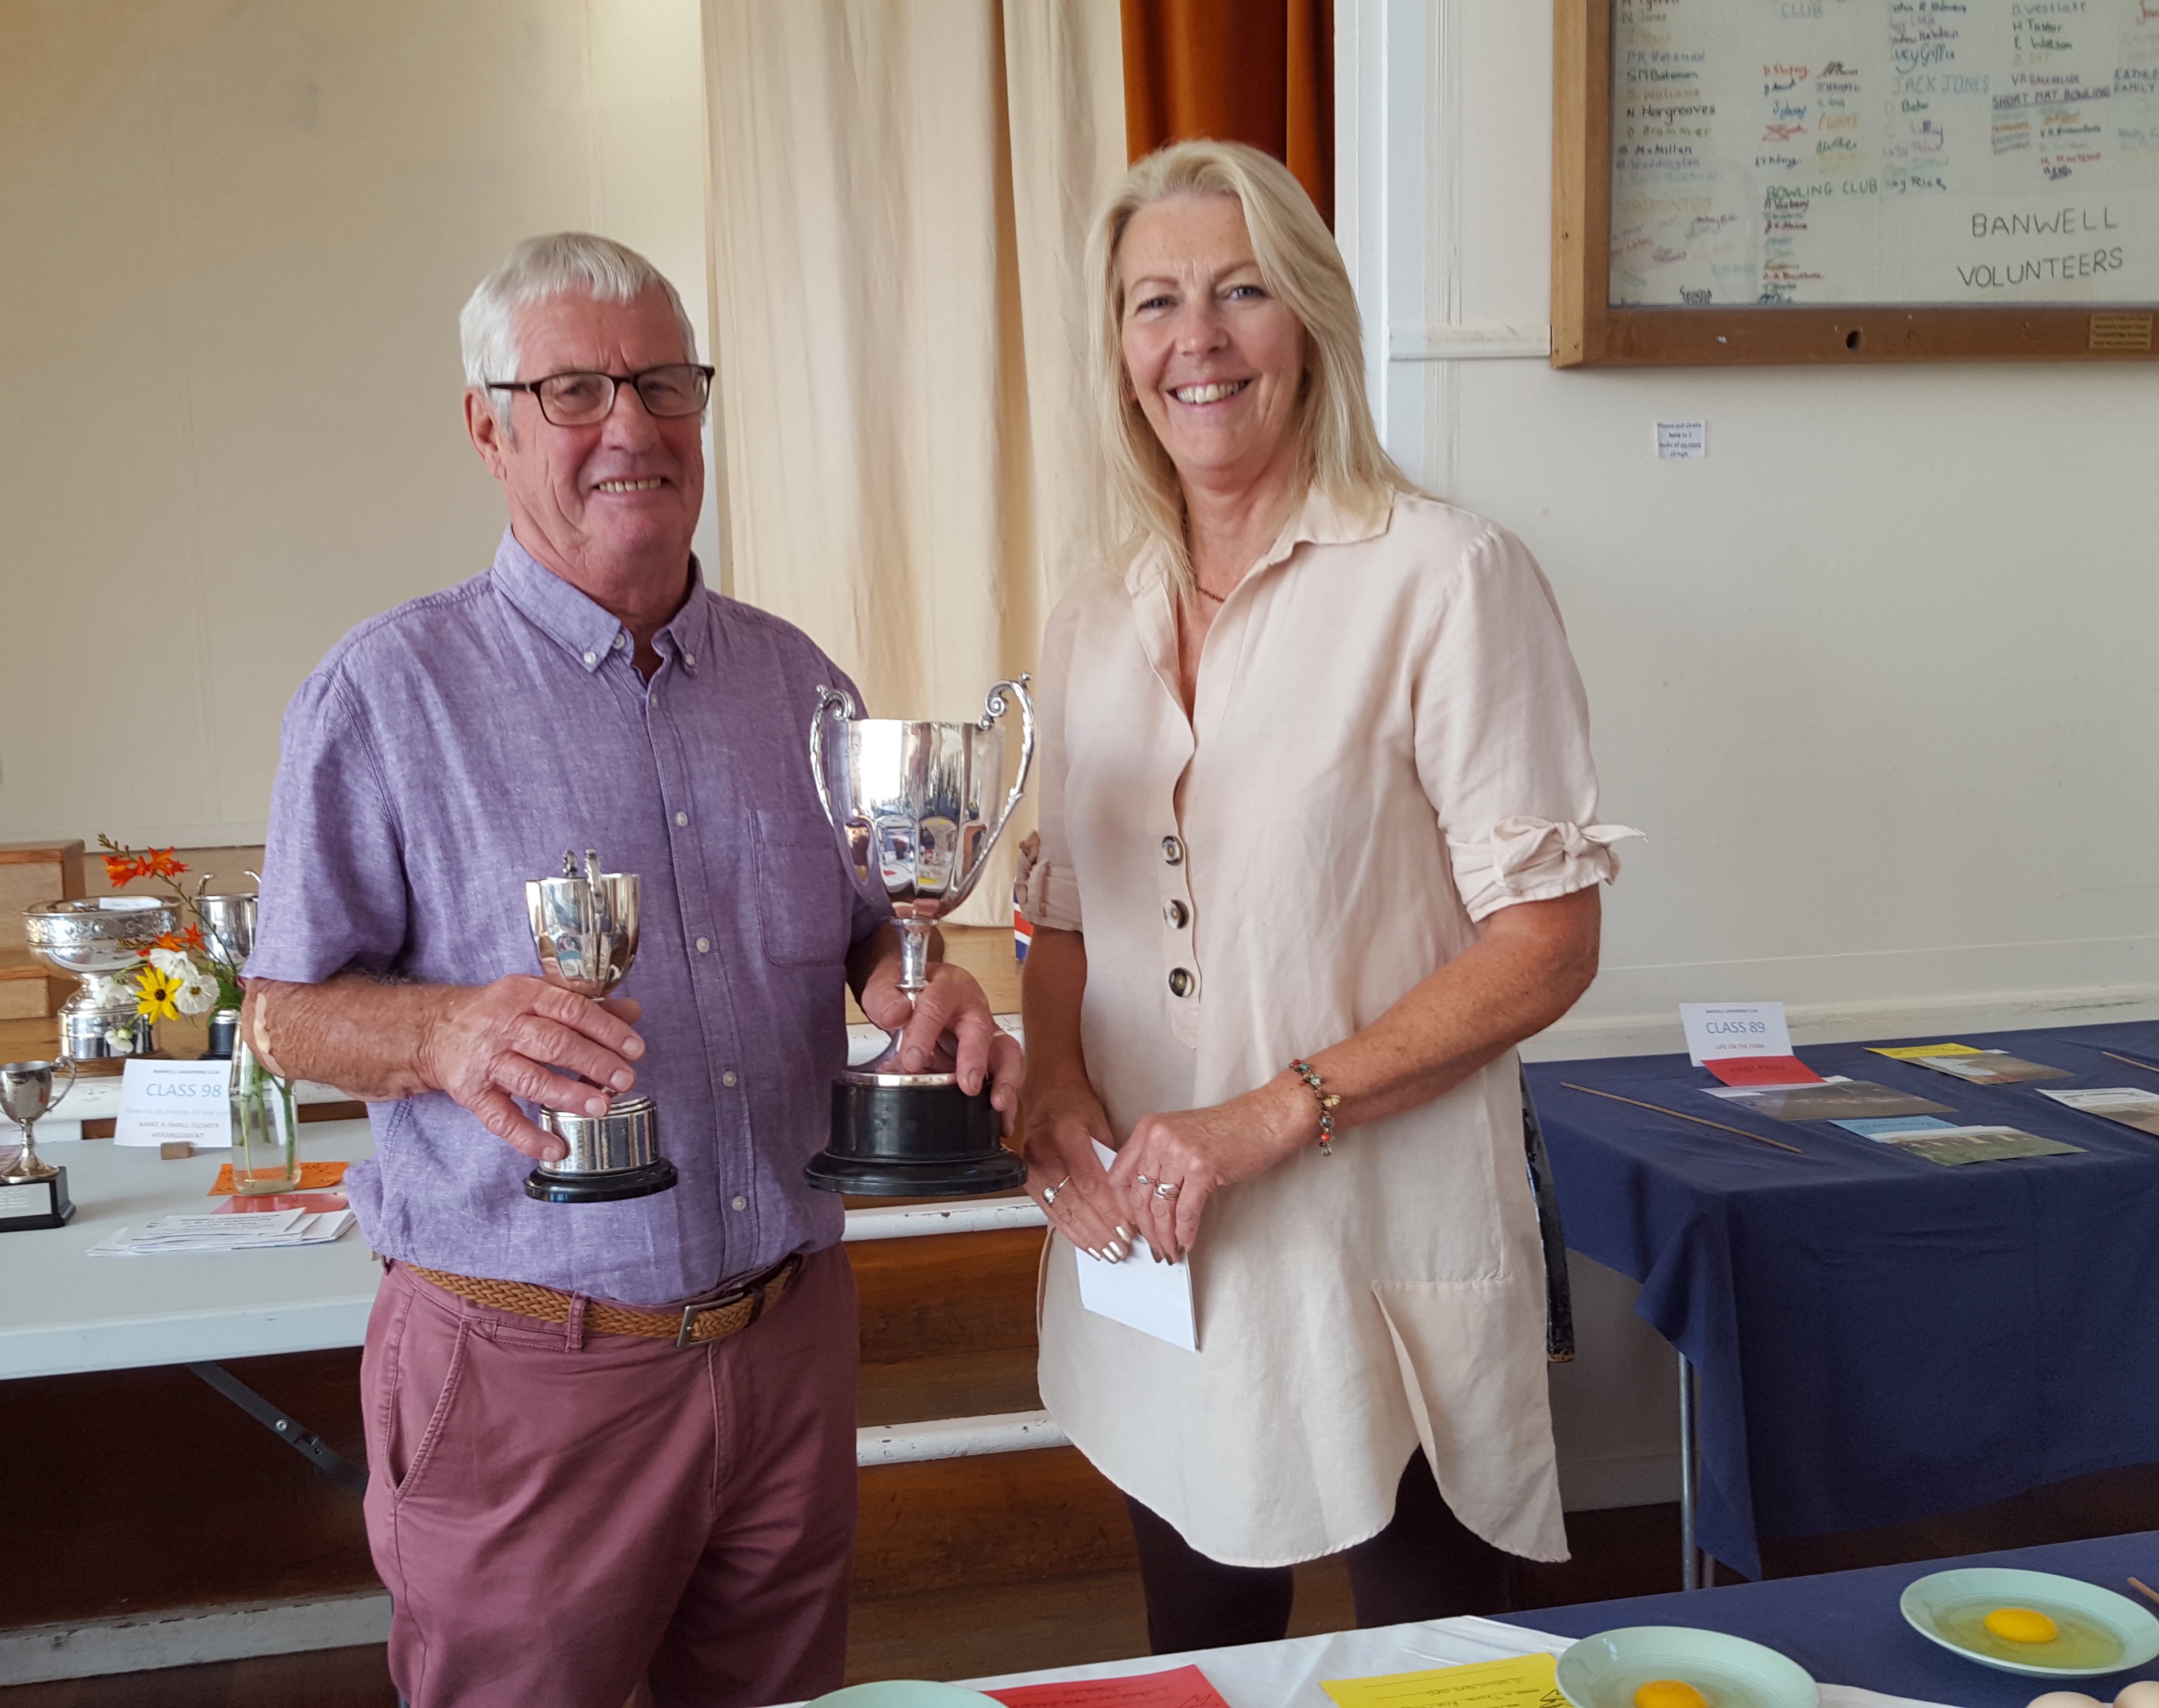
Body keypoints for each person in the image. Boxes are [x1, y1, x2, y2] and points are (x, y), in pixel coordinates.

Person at [241, 233, 1020, 1708]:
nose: (632, 426)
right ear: (487, 426)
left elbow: (869, 925)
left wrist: (909, 981)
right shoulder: (385, 694)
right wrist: (446, 1034)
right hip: (528, 1371)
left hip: (787, 1344)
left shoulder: (800, 686)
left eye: (664, 383)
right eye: (574, 390)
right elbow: (279, 1016)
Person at [1015, 142, 1638, 1651]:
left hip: (1376, 1230)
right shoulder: (1095, 611)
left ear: (1311, 320)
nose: (1197, 339)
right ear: (1118, 349)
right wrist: (1054, 1085)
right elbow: (1066, 908)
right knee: (1198, 1641)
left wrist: (1268, 1112)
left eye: (1241, 291)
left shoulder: (1446, 577)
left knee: (1431, 1658)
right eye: (1154, 302)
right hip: (1153, 1238)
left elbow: (1548, 943)